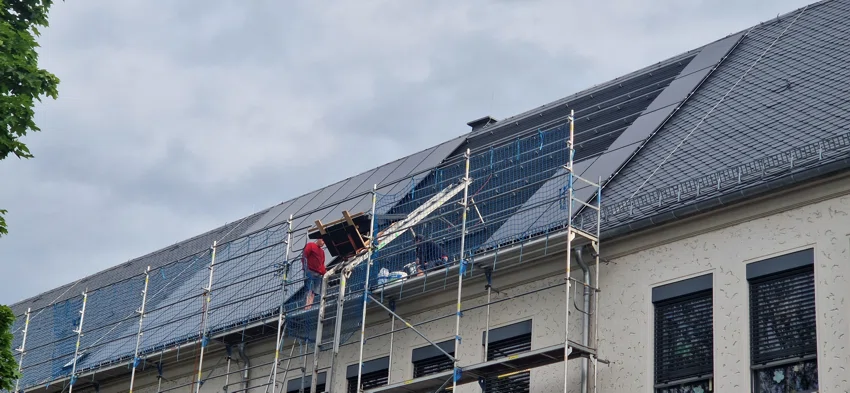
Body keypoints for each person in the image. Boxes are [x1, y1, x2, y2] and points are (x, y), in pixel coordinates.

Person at [303, 238, 326, 310]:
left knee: (314, 291)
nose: (323, 243)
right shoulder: (311, 245)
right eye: (323, 240)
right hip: (310, 271)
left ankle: (310, 305)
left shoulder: (322, 252)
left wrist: (324, 272)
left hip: (318, 274)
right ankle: (307, 305)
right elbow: (305, 255)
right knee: (309, 289)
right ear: (318, 239)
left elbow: (321, 264)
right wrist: (305, 269)